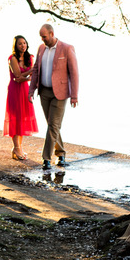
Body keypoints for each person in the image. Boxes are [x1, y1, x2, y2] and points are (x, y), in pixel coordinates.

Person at [29, 23, 79, 169]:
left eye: (44, 36)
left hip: (60, 94)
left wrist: (74, 95)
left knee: (53, 126)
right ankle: (61, 153)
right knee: (52, 126)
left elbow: (74, 73)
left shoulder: (67, 48)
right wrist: (31, 90)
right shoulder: (41, 48)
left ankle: (46, 158)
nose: (42, 39)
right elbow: (36, 70)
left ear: (51, 34)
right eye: (41, 37)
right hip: (44, 92)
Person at [5, 35, 38, 160]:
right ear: (16, 45)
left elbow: (25, 77)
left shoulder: (30, 57)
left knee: (23, 118)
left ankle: (18, 148)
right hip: (14, 90)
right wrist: (29, 73)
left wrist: (25, 77)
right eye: (20, 43)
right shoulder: (12, 58)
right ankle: (16, 148)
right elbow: (17, 76)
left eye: (24, 43)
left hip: (25, 89)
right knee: (15, 118)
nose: (23, 45)